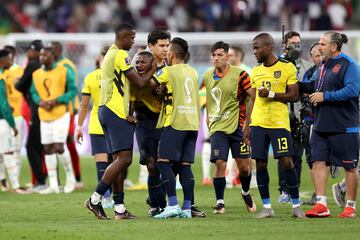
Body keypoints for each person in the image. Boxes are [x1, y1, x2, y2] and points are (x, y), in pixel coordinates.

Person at [84, 23, 156, 220]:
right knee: (124, 159)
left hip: (106, 110)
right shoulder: (120, 55)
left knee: (118, 160)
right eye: (132, 38)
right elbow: (140, 82)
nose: (133, 42)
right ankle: (95, 199)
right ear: (123, 37)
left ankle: (120, 209)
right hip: (115, 111)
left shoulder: (110, 55)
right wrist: (154, 68)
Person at [304, 32, 360, 218]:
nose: (319, 47)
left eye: (322, 43)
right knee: (318, 162)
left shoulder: (349, 65)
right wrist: (290, 86)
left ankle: (350, 206)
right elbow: (314, 86)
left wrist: (325, 97)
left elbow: (352, 90)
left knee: (350, 167)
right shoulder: (323, 65)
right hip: (321, 124)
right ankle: (321, 204)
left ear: (334, 47)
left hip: (344, 125)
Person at [249, 33, 304, 218]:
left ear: (269, 47)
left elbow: (294, 95)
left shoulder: (286, 67)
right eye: (253, 48)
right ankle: (267, 208)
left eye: (257, 48)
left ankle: (296, 206)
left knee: (287, 161)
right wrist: (247, 123)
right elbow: (253, 99)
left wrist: (272, 94)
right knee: (261, 164)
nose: (254, 51)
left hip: (279, 123)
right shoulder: (256, 71)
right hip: (258, 123)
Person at [202, 41, 256, 214]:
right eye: (214, 55)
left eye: (220, 55)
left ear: (227, 56)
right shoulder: (208, 75)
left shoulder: (241, 75)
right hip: (218, 127)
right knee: (220, 163)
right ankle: (220, 202)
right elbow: (209, 96)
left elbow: (253, 97)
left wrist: (248, 122)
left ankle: (245, 193)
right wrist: (209, 117)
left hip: (238, 127)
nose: (216, 58)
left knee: (244, 168)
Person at [151, 37, 200, 219]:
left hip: (175, 121)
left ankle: (172, 204)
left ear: (171, 54)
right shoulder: (193, 72)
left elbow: (149, 84)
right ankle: (187, 208)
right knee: (185, 166)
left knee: (163, 162)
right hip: (193, 123)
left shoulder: (168, 72)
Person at [30, 46, 77, 194]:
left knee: (59, 146)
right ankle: (53, 185)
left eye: (45, 55)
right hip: (44, 114)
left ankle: (71, 179)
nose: (42, 57)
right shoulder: (36, 74)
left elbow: (73, 90)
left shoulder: (64, 71)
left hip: (61, 113)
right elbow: (33, 92)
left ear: (52, 56)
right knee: (48, 149)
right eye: (41, 55)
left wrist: (58, 100)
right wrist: (40, 101)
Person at [129, 51, 167, 217]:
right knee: (151, 166)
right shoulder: (134, 81)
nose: (139, 65)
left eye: (143, 62)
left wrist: (163, 91)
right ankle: (156, 205)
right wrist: (130, 116)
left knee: (164, 165)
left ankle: (160, 203)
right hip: (143, 124)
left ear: (152, 64)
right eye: (137, 62)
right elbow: (131, 103)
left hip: (161, 122)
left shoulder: (162, 78)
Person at [75, 45, 113, 207]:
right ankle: (114, 198)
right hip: (115, 123)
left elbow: (84, 105)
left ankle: (105, 197)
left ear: (100, 58)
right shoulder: (119, 76)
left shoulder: (91, 77)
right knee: (115, 162)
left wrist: (78, 126)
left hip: (97, 122)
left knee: (101, 163)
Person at [278, 31, 313, 203]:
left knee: (297, 154)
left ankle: (294, 188)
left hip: (300, 115)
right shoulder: (277, 64)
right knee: (284, 153)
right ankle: (283, 189)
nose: (296, 46)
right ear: (284, 45)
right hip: (281, 115)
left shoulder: (306, 66)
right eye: (292, 43)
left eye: (298, 43)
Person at [15, 40, 47, 192]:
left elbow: (20, 86)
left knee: (31, 146)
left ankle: (40, 182)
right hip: (42, 108)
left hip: (36, 108)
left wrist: (18, 82)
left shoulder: (33, 64)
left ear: (37, 52)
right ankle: (47, 180)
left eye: (31, 51)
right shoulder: (43, 65)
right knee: (43, 145)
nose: (29, 53)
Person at [51, 41, 82, 189]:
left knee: (68, 142)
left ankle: (76, 178)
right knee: (53, 143)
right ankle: (54, 181)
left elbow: (71, 88)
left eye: (53, 49)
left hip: (68, 108)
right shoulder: (51, 66)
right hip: (55, 109)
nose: (51, 52)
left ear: (59, 50)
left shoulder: (66, 65)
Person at [0, 49, 24, 194]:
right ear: (2, 61)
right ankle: (15, 186)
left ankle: (3, 183)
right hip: (2, 121)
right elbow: (3, 104)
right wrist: (12, 124)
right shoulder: (1, 78)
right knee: (8, 151)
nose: (11, 61)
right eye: (9, 59)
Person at [301, 42, 322, 206]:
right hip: (310, 119)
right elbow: (305, 92)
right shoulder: (308, 73)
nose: (320, 58)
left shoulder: (334, 71)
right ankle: (317, 194)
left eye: (322, 54)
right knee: (312, 159)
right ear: (311, 57)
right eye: (317, 55)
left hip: (330, 119)